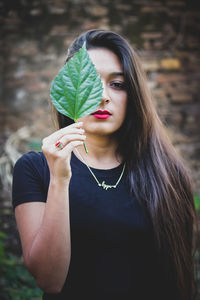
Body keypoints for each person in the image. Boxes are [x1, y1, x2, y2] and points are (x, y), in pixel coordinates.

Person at [12, 29, 198, 300]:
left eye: (117, 84)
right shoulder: (35, 169)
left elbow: (178, 281)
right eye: (90, 82)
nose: (103, 96)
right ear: (71, 90)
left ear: (133, 94)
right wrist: (60, 179)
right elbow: (49, 280)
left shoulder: (165, 173)